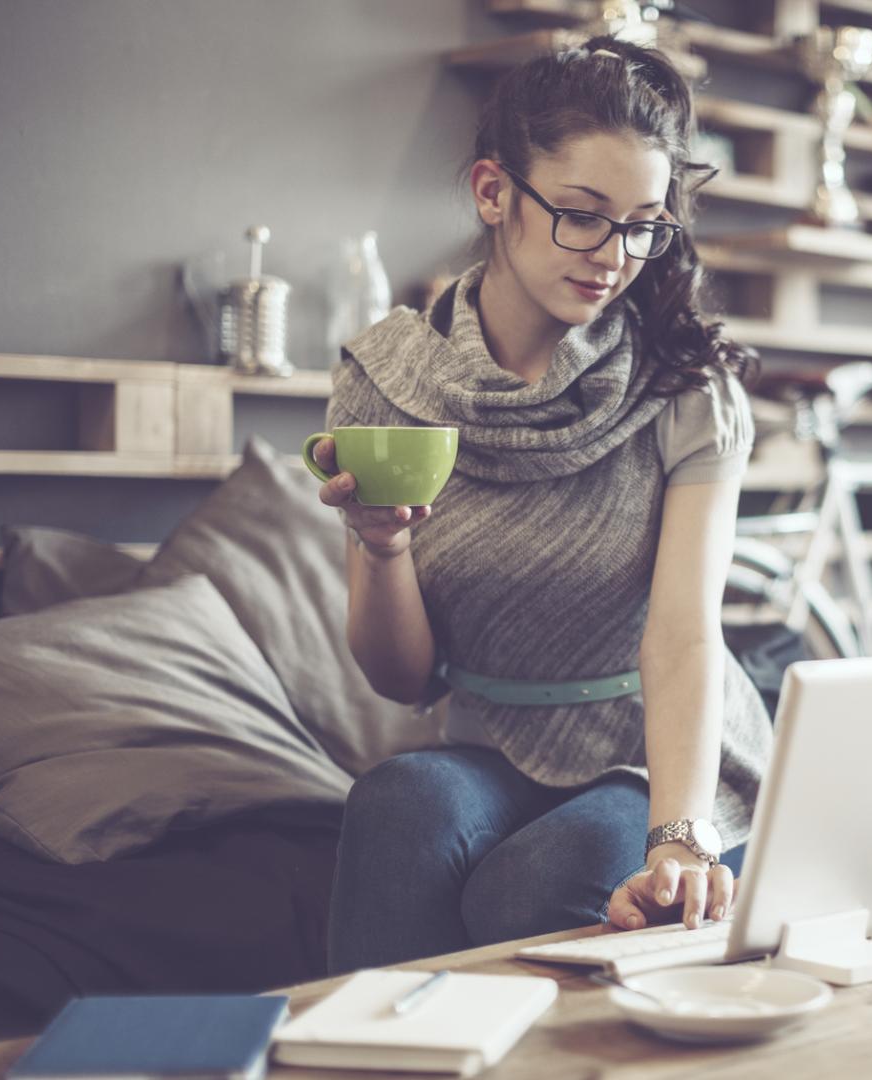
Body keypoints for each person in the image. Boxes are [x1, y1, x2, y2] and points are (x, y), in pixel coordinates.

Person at [314, 36, 770, 973]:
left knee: (535, 881)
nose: (614, 256)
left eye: (643, 224)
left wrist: (679, 834)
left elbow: (684, 635)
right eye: (581, 215)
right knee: (396, 801)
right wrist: (382, 549)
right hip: (491, 741)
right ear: (493, 193)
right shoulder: (387, 383)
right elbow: (403, 683)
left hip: (659, 755)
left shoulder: (687, 386)